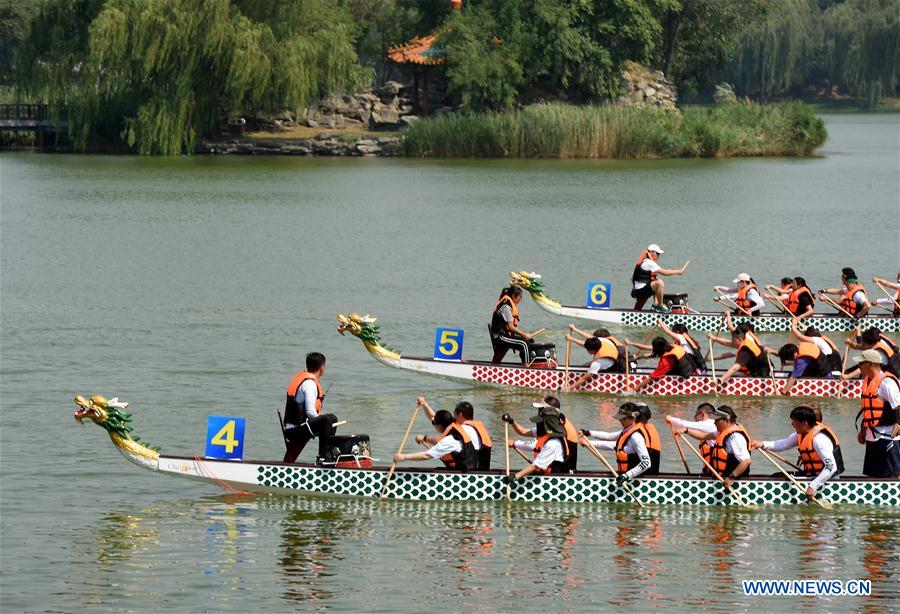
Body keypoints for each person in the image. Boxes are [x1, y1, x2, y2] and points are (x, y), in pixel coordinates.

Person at [750, 406, 844, 500]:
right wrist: (762, 444)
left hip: (826, 481)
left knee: (779, 479)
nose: (792, 424)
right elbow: (783, 444)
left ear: (804, 423)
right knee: (777, 476)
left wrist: (813, 486)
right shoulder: (802, 433)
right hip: (812, 476)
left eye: (794, 422)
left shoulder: (819, 439)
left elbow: (831, 466)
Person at [581, 402, 658, 485]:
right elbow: (610, 436)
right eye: (620, 418)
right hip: (624, 478)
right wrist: (588, 433)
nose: (620, 420)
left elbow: (646, 463)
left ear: (633, 418)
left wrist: (626, 476)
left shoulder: (636, 437)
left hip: (634, 482)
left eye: (624, 418)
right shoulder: (627, 431)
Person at [283, 352, 339, 464]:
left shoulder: (306, 380)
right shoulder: (310, 384)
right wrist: (323, 420)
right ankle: (323, 456)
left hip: (297, 427)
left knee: (331, 418)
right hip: (296, 430)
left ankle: (327, 453)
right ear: (322, 367)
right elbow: (310, 413)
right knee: (327, 419)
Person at [852, 349, 900, 478]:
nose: (859, 366)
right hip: (872, 435)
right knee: (873, 475)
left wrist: (898, 423)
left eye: (861, 363)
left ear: (871, 364)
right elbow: (868, 409)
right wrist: (863, 429)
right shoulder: (867, 380)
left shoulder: (887, 383)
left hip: (889, 436)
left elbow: (898, 406)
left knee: (895, 475)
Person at [502, 401, 572, 483]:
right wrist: (511, 421)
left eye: (541, 421)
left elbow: (535, 466)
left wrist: (513, 478)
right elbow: (523, 432)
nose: (538, 423)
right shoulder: (549, 432)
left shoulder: (553, 443)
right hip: (546, 475)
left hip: (555, 483)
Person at [416, 397, 492, 470]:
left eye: (454, 414)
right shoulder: (473, 427)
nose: (453, 417)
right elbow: (434, 418)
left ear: (460, 415)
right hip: (481, 469)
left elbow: (439, 441)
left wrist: (425, 438)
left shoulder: (465, 430)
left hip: (467, 472)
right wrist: (424, 404)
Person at [685, 405, 752, 487]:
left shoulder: (735, 437)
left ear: (726, 420)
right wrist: (686, 430)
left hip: (733, 484)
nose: (714, 422)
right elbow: (702, 436)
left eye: (717, 420)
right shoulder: (721, 432)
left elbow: (746, 461)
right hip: (720, 479)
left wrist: (731, 478)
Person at [394, 409, 477, 471]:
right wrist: (424, 404)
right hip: (467, 468)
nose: (434, 426)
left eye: (435, 424)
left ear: (440, 426)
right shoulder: (456, 427)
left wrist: (403, 457)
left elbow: (426, 456)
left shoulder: (450, 440)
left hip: (466, 476)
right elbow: (433, 417)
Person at [625, 336, 696, 394]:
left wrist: (634, 389)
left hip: (686, 380)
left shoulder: (666, 361)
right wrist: (639, 357)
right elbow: (652, 353)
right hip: (692, 369)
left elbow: (650, 378)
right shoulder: (672, 346)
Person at [630, 244, 689, 312]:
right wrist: (679, 272)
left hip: (640, 289)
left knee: (655, 279)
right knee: (659, 283)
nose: (658, 256)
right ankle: (660, 306)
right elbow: (665, 272)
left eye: (659, 254)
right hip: (640, 291)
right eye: (657, 254)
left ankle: (655, 305)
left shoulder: (644, 261)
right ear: (651, 252)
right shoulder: (648, 263)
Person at [666, 403, 717, 474]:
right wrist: (685, 430)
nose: (694, 418)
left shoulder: (708, 424)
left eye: (695, 415)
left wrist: (669, 418)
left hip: (718, 471)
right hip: (713, 467)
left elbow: (684, 424)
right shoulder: (712, 424)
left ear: (701, 415)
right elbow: (701, 435)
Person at [490, 286, 536, 364]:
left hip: (504, 335)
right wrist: (524, 334)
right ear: (513, 296)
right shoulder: (506, 307)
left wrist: (524, 335)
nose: (520, 299)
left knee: (529, 341)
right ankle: (527, 369)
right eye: (520, 297)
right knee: (524, 343)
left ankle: (495, 364)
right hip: (500, 336)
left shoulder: (508, 304)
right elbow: (511, 327)